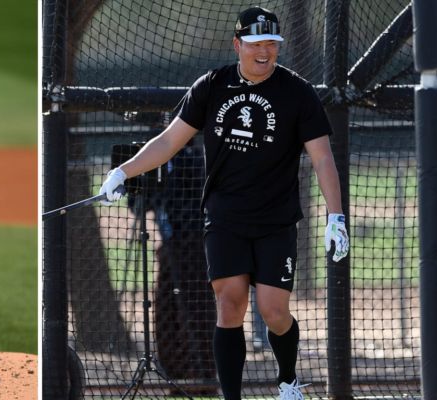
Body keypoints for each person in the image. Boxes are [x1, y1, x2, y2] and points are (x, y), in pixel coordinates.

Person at [99, 6, 349, 400]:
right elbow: (167, 141)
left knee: (273, 311)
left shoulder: (297, 91)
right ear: (238, 45)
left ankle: (287, 381)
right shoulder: (211, 86)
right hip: (224, 218)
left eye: (271, 44)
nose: (264, 51)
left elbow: (322, 157)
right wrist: (123, 173)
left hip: (275, 220)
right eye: (255, 44)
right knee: (229, 303)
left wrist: (336, 216)